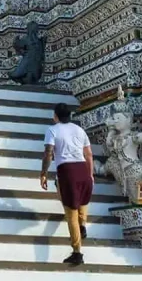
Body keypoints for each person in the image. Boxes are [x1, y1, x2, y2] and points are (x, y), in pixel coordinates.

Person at [40, 102, 94, 266]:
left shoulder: (52, 130)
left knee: (70, 213)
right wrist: (90, 175)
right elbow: (89, 155)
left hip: (67, 171)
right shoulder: (79, 130)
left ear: (55, 116)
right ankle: (83, 224)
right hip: (83, 169)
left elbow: (48, 153)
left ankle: (77, 252)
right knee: (82, 201)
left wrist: (43, 173)